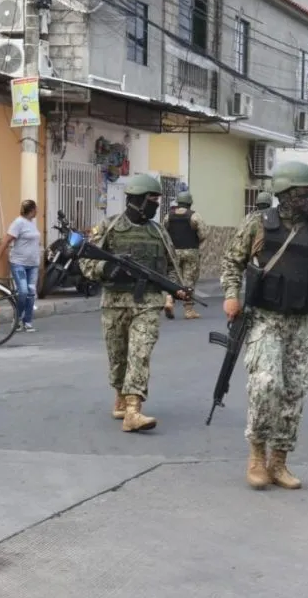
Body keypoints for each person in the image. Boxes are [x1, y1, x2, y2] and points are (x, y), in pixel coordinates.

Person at [220, 161, 308, 490]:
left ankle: (279, 460)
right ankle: (256, 455)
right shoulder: (257, 225)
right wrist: (230, 294)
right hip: (265, 318)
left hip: (303, 322)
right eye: (301, 193)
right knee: (267, 383)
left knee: (294, 390)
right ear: (284, 193)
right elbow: (231, 260)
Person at [79, 174, 187, 432]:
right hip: (114, 302)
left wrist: (175, 291)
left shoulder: (159, 232)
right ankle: (121, 395)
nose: (156, 204)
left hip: (148, 302)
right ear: (137, 200)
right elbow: (85, 262)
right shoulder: (109, 226)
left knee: (140, 352)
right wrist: (106, 269)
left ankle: (133, 410)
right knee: (118, 358)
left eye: (158, 199)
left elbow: (172, 268)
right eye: (152, 199)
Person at [0, 199, 42, 332]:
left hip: (33, 264)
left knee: (31, 293)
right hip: (18, 263)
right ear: (31, 210)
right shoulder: (18, 223)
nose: (37, 211)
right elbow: (6, 241)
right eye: (36, 209)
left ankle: (28, 321)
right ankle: (17, 319)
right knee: (23, 291)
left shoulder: (33, 222)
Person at [162, 190, 208, 320]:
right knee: (189, 280)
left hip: (173, 252)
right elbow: (203, 234)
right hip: (191, 251)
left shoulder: (168, 216)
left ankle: (169, 300)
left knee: (172, 277)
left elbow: (163, 233)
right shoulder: (194, 216)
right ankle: (189, 310)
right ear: (190, 202)